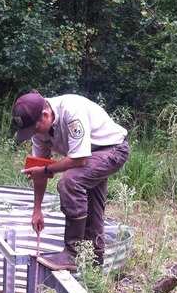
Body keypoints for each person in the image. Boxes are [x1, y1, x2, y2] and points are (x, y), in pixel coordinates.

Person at [13, 91, 130, 271]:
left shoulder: (71, 111)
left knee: (70, 182)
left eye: (35, 129)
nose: (34, 134)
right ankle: (95, 267)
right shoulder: (39, 132)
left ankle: (71, 253)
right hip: (91, 154)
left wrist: (45, 169)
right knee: (93, 209)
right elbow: (40, 171)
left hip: (112, 149)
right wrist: (37, 209)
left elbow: (79, 160)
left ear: (45, 115)